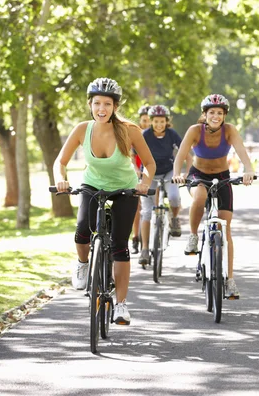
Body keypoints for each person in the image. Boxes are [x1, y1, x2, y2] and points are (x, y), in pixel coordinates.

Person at [53, 77, 156, 325]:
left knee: (120, 244)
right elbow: (61, 162)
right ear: (90, 104)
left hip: (125, 189)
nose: (102, 109)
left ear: (115, 107)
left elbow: (150, 163)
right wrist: (60, 179)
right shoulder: (82, 129)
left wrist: (144, 183)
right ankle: (83, 263)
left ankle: (120, 305)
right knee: (81, 231)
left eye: (107, 104)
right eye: (97, 103)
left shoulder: (129, 130)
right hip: (92, 185)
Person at [172, 94, 255, 298]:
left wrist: (248, 169)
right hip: (197, 175)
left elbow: (242, 152)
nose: (216, 116)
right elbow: (181, 155)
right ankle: (193, 235)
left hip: (222, 177)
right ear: (205, 114)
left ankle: (230, 280)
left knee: (225, 230)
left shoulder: (229, 130)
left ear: (224, 115)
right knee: (199, 196)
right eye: (212, 113)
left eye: (219, 113)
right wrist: (176, 174)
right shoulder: (194, 130)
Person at [138, 105, 191, 266]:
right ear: (151, 122)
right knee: (146, 212)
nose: (159, 124)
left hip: (169, 172)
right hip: (149, 173)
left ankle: (174, 219)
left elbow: (187, 155)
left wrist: (185, 173)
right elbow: (135, 154)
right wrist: (139, 174)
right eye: (156, 121)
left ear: (167, 122)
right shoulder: (145, 135)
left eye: (162, 121)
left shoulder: (172, 134)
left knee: (174, 197)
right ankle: (145, 249)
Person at [130, 104, 151, 254]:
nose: (148, 123)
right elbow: (131, 155)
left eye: (150, 120)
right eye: (145, 120)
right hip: (137, 172)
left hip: (151, 173)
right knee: (137, 206)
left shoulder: (156, 133)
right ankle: (136, 236)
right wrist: (136, 170)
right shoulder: (136, 133)